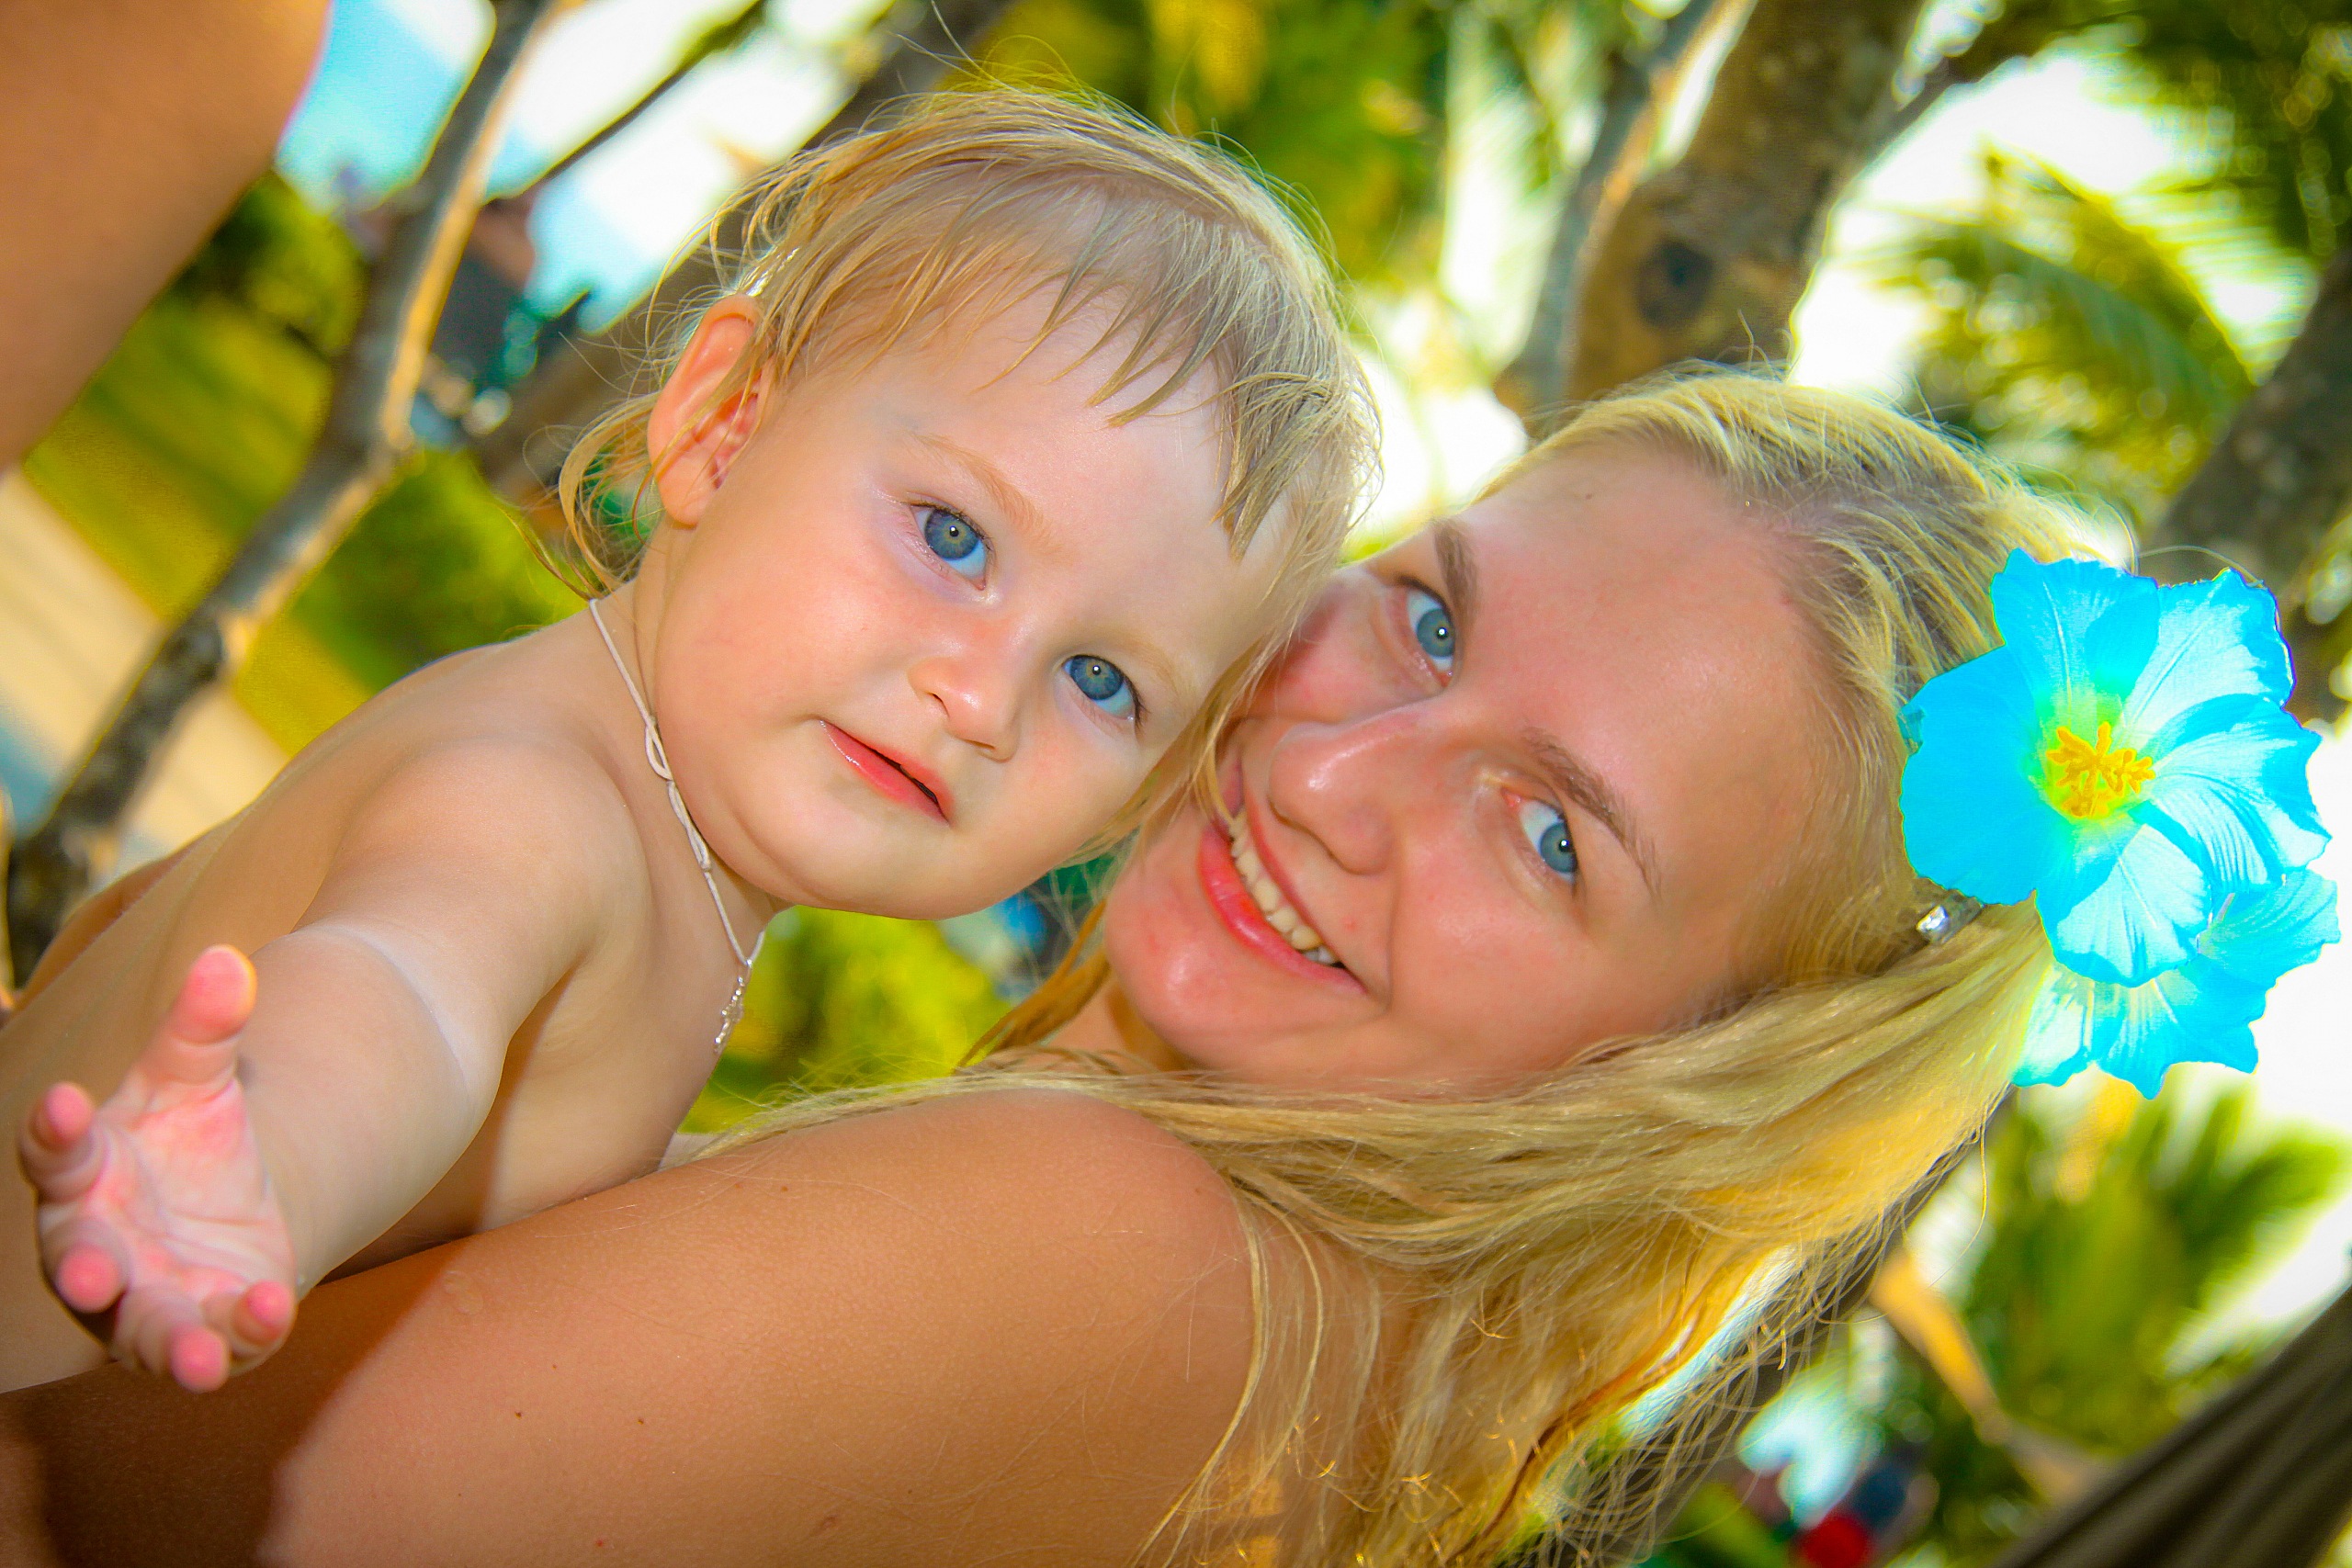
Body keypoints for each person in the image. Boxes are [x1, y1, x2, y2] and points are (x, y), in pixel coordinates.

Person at [0, 372, 2113, 1564]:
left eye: (1551, 831)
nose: (1336, 773)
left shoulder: (1130, 1245)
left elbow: (91, 1505)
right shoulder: (1318, 1383)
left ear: (1692, 1074)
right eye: (1428, 617)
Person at [0, 92, 1374, 1393]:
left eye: (1100, 679)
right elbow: (407, 990)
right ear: (723, 427)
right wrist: (267, 1153)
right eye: (954, 538)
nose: (983, 698)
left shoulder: (651, 811)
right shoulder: (547, 809)